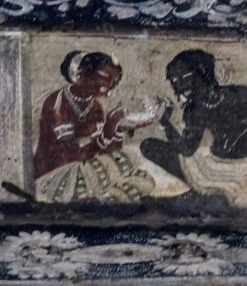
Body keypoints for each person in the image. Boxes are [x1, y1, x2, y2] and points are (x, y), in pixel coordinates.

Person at [33, 50, 186, 202]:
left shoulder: (95, 107)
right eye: (106, 77)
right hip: (56, 174)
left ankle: (100, 197)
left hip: (83, 169)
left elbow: (109, 154)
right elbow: (71, 157)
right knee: (124, 179)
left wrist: (118, 130)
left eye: (116, 81)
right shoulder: (58, 104)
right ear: (81, 74)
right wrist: (106, 134)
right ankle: (99, 196)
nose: (111, 85)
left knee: (142, 176)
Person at [139, 48, 247, 206]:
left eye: (184, 77)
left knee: (148, 145)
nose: (179, 86)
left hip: (216, 171)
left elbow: (187, 149)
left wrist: (164, 122)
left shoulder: (196, 107)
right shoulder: (243, 92)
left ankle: (209, 196)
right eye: (174, 82)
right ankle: (207, 197)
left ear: (202, 71)